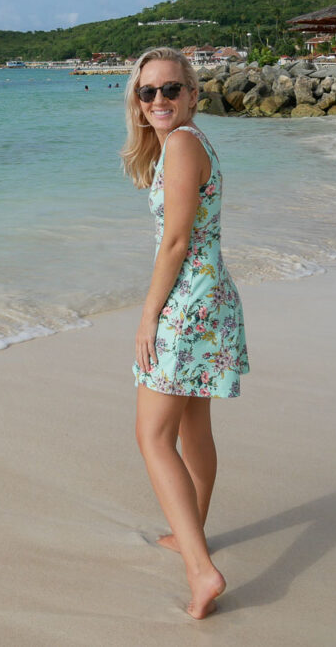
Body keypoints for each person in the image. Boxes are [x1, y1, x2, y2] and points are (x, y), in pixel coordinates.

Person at [120, 46, 249, 620]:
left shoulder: (180, 145)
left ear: (193, 94)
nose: (159, 101)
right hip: (210, 298)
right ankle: (190, 530)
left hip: (185, 308)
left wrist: (148, 315)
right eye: (148, 92)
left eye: (171, 89)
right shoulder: (196, 144)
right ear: (137, 102)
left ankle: (200, 569)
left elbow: (175, 241)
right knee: (194, 425)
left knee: (152, 439)